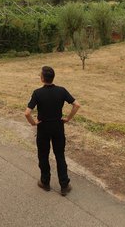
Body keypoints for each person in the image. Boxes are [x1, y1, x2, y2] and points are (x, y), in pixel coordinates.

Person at [24, 66, 81, 196]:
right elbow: (76, 105)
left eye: (40, 75)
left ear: (43, 79)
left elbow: (27, 113)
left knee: (43, 155)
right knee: (60, 155)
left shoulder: (37, 93)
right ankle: (64, 185)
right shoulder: (61, 91)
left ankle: (45, 182)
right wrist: (68, 118)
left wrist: (34, 123)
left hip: (43, 127)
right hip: (58, 127)